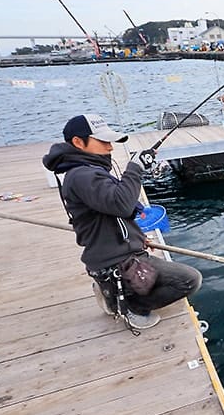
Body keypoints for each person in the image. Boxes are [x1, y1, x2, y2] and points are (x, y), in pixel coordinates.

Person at [42, 114, 202, 330]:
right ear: (78, 142)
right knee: (190, 280)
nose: (110, 148)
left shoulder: (88, 170)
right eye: (103, 142)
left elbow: (112, 210)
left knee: (167, 278)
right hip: (116, 260)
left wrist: (137, 236)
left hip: (116, 250)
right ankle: (130, 306)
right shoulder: (82, 176)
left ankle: (111, 292)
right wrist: (135, 169)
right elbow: (121, 205)